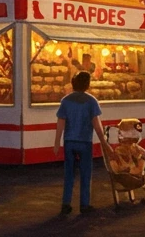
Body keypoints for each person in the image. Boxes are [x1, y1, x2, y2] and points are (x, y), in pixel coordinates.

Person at [53, 70, 110, 215]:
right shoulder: (91, 101)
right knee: (85, 173)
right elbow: (97, 124)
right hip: (85, 142)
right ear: (87, 84)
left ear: (73, 84)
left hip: (69, 141)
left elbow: (61, 122)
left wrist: (57, 142)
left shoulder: (65, 101)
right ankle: (84, 204)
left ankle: (66, 203)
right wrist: (104, 142)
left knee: (69, 173)